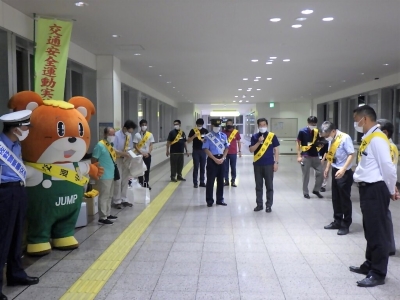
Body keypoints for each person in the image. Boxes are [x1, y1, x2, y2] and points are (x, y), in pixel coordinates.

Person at [350, 105, 397, 287]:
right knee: (370, 229)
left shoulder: (378, 138)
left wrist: (392, 189)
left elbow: (388, 167)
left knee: (378, 232)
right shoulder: (369, 137)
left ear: (365, 119)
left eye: (356, 121)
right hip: (367, 189)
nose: (356, 124)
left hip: (376, 189)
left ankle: (378, 273)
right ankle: (369, 264)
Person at [0, 110, 39, 300]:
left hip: (19, 190)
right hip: (4, 193)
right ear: (16, 129)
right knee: (2, 238)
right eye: (25, 127)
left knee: (17, 235)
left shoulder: (16, 145)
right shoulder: (0, 147)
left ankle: (16, 274)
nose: (27, 130)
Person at [319, 121, 355, 235]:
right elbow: (331, 154)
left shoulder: (345, 138)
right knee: (335, 198)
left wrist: (343, 169)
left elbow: (351, 154)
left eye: (327, 135)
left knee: (344, 199)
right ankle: (337, 221)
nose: (326, 138)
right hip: (335, 169)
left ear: (333, 131)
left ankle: (346, 224)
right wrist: (327, 168)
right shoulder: (332, 139)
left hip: (344, 172)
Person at [377, 119, 398, 255]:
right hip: (381, 184)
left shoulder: (390, 147)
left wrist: (392, 188)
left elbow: (390, 169)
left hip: (382, 185)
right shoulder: (383, 145)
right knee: (383, 216)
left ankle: (389, 246)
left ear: (385, 132)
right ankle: (387, 245)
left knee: (384, 216)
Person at [250, 118, 280, 213]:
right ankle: (259, 205)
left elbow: (276, 150)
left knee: (269, 186)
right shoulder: (254, 137)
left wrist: (276, 162)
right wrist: (258, 142)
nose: (262, 127)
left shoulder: (272, 136)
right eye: (260, 125)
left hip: (269, 164)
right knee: (258, 186)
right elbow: (251, 150)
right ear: (258, 126)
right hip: (257, 164)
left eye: (264, 125)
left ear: (267, 125)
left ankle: (268, 205)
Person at [92, 127, 118, 225]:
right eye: (111, 134)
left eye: (114, 134)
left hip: (111, 174)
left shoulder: (109, 145)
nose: (113, 136)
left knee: (110, 195)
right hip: (103, 175)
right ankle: (102, 217)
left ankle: (107, 213)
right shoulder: (100, 145)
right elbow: (94, 159)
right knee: (104, 196)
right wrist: (96, 171)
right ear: (105, 135)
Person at [202, 119, 229, 207]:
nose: (217, 128)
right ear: (212, 126)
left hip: (222, 159)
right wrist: (214, 159)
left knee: (221, 181)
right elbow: (206, 149)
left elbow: (226, 148)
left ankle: (220, 199)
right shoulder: (208, 136)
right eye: (215, 126)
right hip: (212, 160)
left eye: (218, 126)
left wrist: (223, 157)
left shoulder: (224, 136)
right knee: (210, 181)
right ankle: (209, 200)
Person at [296, 116, 324, 199]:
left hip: (315, 155)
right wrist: (298, 156)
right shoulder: (302, 131)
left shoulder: (317, 131)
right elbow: (298, 143)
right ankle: (305, 192)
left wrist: (320, 145)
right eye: (312, 124)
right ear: (308, 123)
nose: (313, 125)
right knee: (306, 175)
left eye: (315, 124)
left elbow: (319, 141)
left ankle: (316, 189)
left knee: (320, 172)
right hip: (305, 155)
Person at [112, 120, 137, 209]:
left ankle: (124, 199)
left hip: (126, 159)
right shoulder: (116, 135)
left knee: (125, 180)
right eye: (128, 131)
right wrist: (123, 154)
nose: (129, 133)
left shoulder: (129, 136)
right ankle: (117, 200)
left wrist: (132, 154)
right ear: (124, 128)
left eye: (131, 132)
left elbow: (129, 148)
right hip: (118, 159)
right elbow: (113, 149)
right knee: (118, 181)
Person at [133, 119, 155, 190]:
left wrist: (148, 153)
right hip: (139, 155)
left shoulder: (150, 134)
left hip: (147, 155)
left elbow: (151, 145)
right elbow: (135, 145)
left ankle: (146, 183)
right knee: (140, 170)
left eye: (145, 125)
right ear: (140, 126)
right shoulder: (137, 135)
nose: (144, 126)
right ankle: (141, 183)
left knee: (147, 169)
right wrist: (141, 153)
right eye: (142, 125)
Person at [187, 118, 208, 188]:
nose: (199, 126)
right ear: (196, 124)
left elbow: (208, 141)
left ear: (202, 124)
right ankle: (195, 182)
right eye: (198, 125)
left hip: (203, 151)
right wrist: (194, 136)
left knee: (203, 167)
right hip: (195, 150)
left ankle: (202, 182)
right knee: (196, 167)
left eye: (200, 125)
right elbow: (188, 141)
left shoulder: (205, 131)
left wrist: (204, 141)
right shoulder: (193, 130)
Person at [222, 119, 241, 187]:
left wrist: (240, 151)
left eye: (230, 123)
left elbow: (239, 141)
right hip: (225, 153)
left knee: (233, 167)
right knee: (225, 167)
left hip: (233, 152)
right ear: (226, 124)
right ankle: (226, 181)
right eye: (228, 123)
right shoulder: (223, 132)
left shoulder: (236, 132)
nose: (229, 124)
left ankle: (233, 181)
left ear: (232, 124)